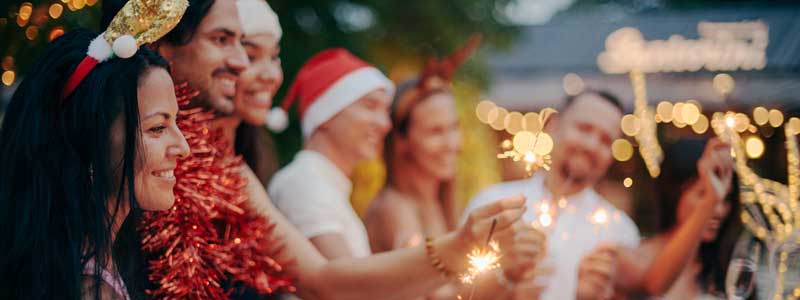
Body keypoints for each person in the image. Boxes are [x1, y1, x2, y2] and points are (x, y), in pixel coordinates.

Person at [101, 1, 532, 299]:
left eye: (251, 48)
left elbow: (310, 281)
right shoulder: (118, 151)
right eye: (226, 41)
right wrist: (457, 250)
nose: (244, 65)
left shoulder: (225, 164)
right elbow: (324, 284)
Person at [0, 28, 189, 299]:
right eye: (158, 128)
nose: (184, 147)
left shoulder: (89, 259)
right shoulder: (90, 289)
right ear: (91, 139)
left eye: (176, 121)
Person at [365, 38, 546, 299]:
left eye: (453, 127)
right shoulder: (394, 210)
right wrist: (505, 278)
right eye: (436, 131)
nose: (453, 144)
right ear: (401, 141)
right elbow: (433, 295)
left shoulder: (441, 204)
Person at [631, 138, 736, 299]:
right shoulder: (637, 259)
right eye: (704, 194)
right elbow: (655, 287)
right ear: (674, 194)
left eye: (726, 198)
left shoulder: (723, 267)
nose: (719, 210)